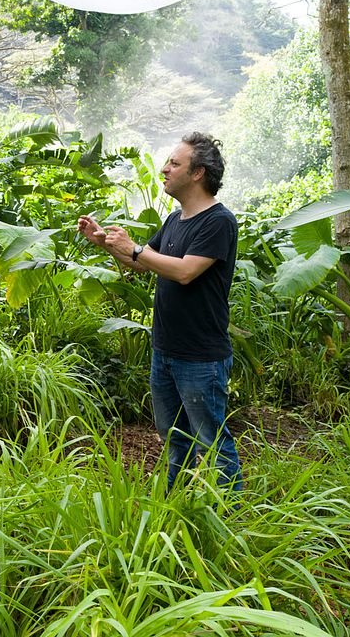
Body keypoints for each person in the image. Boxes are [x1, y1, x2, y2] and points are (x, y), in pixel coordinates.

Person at [78, 132, 242, 491]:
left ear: (198, 173)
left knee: (212, 442)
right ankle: (177, 502)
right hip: (165, 351)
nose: (164, 169)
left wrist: (134, 248)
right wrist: (105, 243)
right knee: (174, 439)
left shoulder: (218, 221)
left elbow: (184, 271)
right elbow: (143, 264)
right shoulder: (174, 220)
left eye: (174, 163)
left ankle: (231, 514)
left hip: (200, 357)